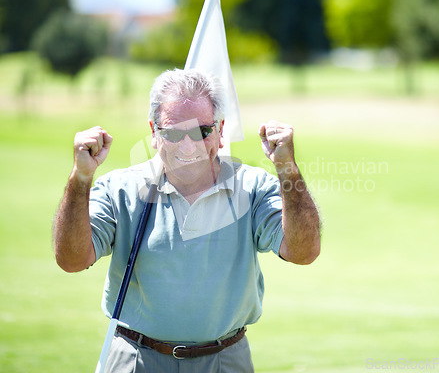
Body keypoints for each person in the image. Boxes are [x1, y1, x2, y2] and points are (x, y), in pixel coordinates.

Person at [53, 69, 320, 373]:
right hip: (136, 358)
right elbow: (71, 260)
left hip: (226, 359)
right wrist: (81, 178)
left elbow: (303, 252)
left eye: (201, 131)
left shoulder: (254, 187)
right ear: (154, 132)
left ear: (220, 131)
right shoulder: (119, 189)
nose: (188, 146)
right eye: (173, 133)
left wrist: (287, 170)